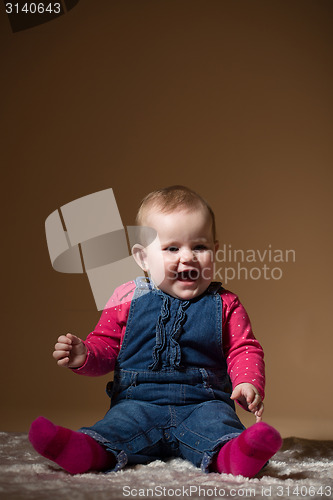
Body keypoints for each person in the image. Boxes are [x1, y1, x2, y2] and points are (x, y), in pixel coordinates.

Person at [29, 185, 282, 477]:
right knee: (114, 429)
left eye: (199, 247)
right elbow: (107, 347)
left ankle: (237, 456)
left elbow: (244, 348)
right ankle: (84, 451)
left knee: (219, 429)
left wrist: (247, 383)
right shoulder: (125, 298)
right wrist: (84, 355)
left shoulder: (225, 303)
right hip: (137, 402)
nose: (187, 257)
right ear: (143, 258)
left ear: (215, 250)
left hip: (204, 403)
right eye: (172, 248)